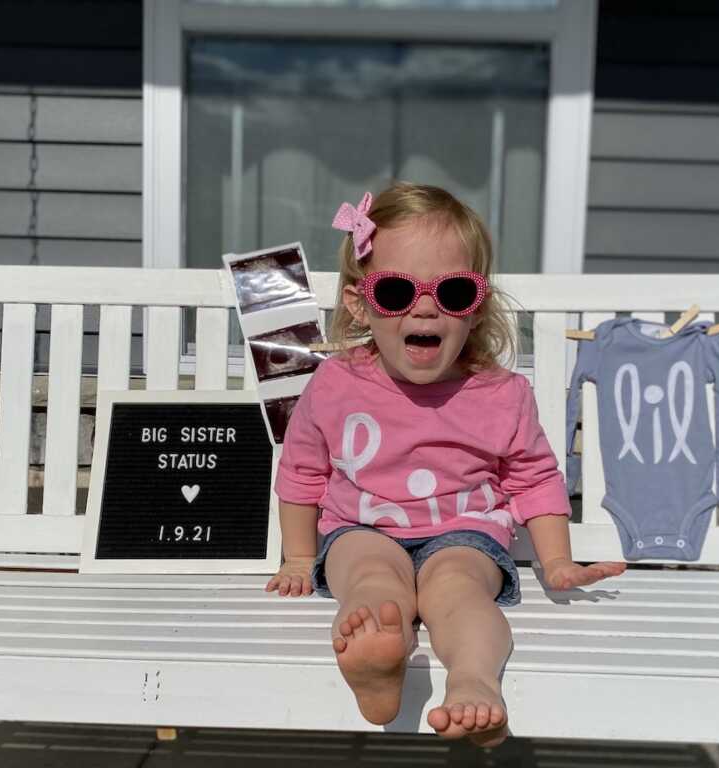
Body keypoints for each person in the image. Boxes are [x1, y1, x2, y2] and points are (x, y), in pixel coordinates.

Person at [265, 182, 626, 747]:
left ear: (475, 308)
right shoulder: (336, 383)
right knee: (370, 577)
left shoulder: (500, 393)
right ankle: (376, 655)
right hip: (361, 528)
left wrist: (556, 562)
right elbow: (303, 471)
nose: (426, 307)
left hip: (464, 534)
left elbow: (534, 478)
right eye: (396, 290)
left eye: (453, 291)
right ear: (360, 302)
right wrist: (300, 558)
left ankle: (474, 681)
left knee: (458, 592)